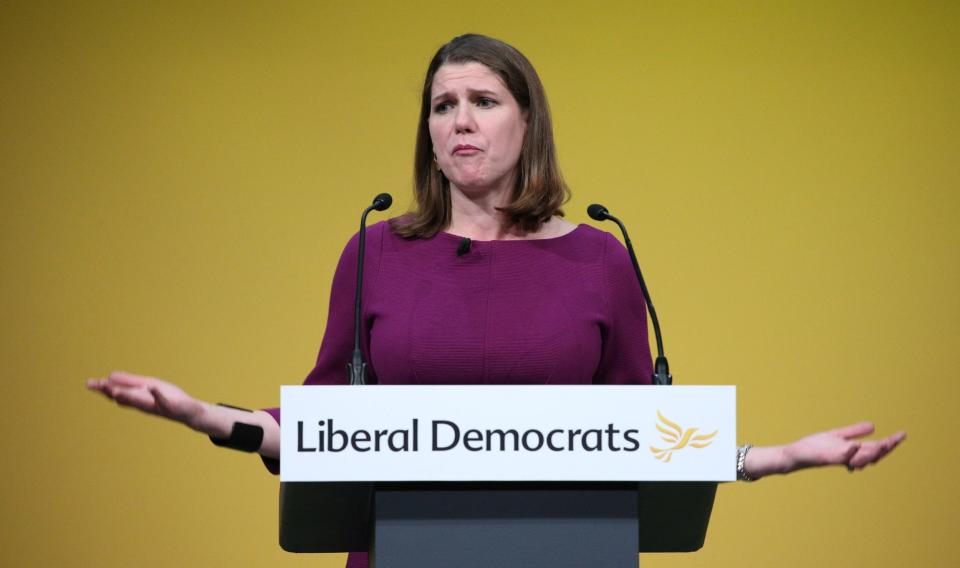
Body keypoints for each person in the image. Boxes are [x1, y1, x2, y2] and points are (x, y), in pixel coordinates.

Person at [87, 34, 906, 568]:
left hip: (565, 550)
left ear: (526, 122)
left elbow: (639, 433)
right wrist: (206, 416)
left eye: (483, 101)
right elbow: (327, 416)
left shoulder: (600, 258)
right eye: (442, 106)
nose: (459, 122)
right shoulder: (374, 251)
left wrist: (783, 458)